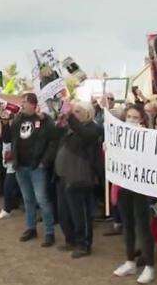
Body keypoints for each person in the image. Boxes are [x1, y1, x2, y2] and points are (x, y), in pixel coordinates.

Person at [113, 104, 155, 284]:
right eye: (128, 116)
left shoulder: (149, 137)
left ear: (142, 120)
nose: (131, 120)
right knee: (128, 225)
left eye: (135, 117)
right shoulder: (120, 136)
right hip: (124, 186)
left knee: (143, 227)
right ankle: (130, 261)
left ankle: (149, 267)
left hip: (140, 188)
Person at [55, 101, 101, 259]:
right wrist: (60, 124)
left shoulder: (92, 128)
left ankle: (84, 244)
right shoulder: (72, 128)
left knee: (80, 213)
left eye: (77, 111)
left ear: (88, 113)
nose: (74, 114)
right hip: (64, 176)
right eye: (73, 111)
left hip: (81, 177)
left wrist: (70, 119)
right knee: (64, 212)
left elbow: (85, 135)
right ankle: (71, 239)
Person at [11, 93, 58, 247]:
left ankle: (49, 232)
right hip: (21, 166)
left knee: (42, 200)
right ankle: (31, 228)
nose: (22, 105)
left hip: (37, 166)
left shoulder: (44, 120)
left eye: (24, 102)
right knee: (28, 199)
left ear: (33, 104)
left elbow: (53, 140)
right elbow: (11, 138)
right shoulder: (18, 119)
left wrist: (44, 162)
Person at [0, 111, 20, 219]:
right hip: (11, 160)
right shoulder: (8, 127)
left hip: (16, 160)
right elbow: (5, 140)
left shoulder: (16, 126)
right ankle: (10, 206)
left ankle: (7, 208)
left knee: (8, 185)